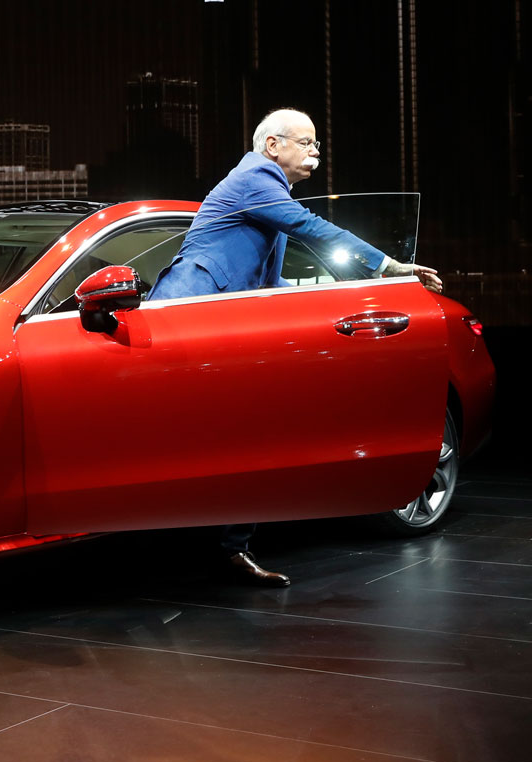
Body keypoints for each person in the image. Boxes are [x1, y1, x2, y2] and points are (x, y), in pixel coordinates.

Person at [149, 108, 442, 588]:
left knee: (252, 437)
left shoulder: (268, 197)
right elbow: (314, 228)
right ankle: (194, 543)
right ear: (272, 147)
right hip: (185, 321)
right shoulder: (255, 179)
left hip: (222, 332)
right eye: (306, 143)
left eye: (316, 144)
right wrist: (387, 265)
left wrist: (334, 296)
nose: (315, 152)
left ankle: (230, 548)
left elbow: (269, 282)